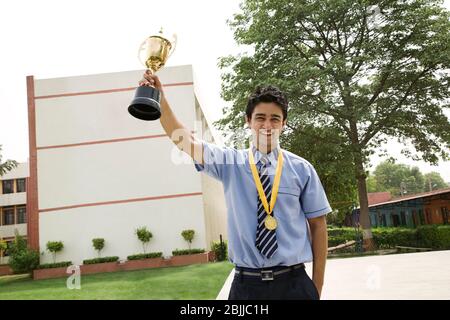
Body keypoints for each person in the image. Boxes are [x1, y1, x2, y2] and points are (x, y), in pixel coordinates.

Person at [139, 70, 331, 300]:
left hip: (294, 284)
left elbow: (318, 226)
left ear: (284, 124)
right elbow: (184, 140)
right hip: (246, 288)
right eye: (260, 117)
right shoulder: (229, 163)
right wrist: (160, 97)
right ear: (248, 121)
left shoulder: (302, 169)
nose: (267, 125)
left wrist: (316, 289)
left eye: (275, 118)